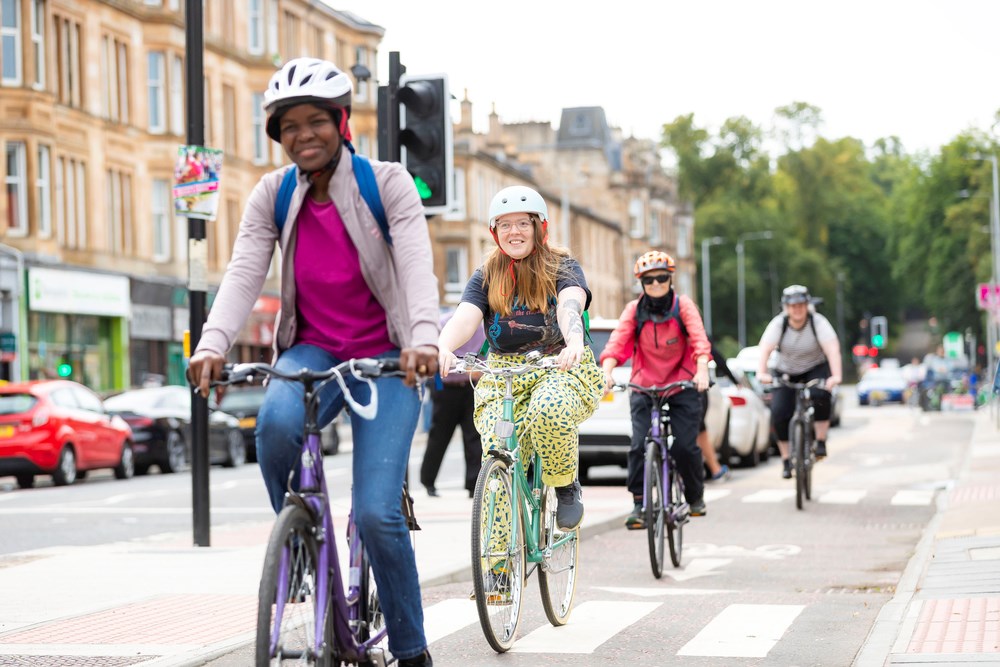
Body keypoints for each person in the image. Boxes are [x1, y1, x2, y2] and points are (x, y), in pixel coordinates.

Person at [187, 57, 438, 667]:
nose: (304, 135)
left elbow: (415, 265)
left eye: (316, 122)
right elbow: (244, 269)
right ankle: (301, 541)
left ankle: (411, 652)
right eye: (289, 126)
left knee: (378, 513)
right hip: (313, 349)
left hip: (388, 359)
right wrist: (214, 343)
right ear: (278, 135)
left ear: (341, 123)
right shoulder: (272, 193)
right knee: (272, 424)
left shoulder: (389, 183)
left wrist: (425, 338)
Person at [437, 185, 604, 531]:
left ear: (540, 227)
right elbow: (466, 318)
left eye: (523, 224)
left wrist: (574, 340)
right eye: (505, 225)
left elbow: (570, 305)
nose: (514, 232)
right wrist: (443, 346)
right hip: (503, 373)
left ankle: (564, 484)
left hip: (557, 365)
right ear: (494, 232)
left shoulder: (562, 265)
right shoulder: (486, 275)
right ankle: (497, 572)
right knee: (497, 457)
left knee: (549, 408)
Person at [599, 250, 712, 529]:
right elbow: (617, 343)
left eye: (662, 278)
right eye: (649, 280)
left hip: (682, 383)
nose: (656, 284)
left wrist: (701, 371)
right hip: (644, 384)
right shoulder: (634, 310)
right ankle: (639, 503)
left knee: (685, 446)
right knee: (639, 445)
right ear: (642, 284)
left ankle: (694, 496)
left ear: (670, 279)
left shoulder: (683, 306)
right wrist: (607, 371)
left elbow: (699, 340)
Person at [757, 284, 842, 479]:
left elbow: (832, 349)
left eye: (801, 305)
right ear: (786, 308)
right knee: (779, 412)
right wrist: (762, 373)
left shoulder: (818, 322)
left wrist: (835, 376)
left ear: (807, 305)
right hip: (785, 369)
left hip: (814, 367)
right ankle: (787, 459)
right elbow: (765, 349)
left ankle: (820, 441)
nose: (797, 310)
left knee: (821, 395)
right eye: (793, 306)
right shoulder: (779, 324)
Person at [420, 310, 486, 498]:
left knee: (474, 436)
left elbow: (486, 357)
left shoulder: (482, 328)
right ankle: (428, 482)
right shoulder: (442, 323)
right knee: (439, 436)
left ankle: (474, 485)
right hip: (445, 388)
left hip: (471, 387)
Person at [699, 338, 737, 482]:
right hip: (692, 387)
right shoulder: (699, 334)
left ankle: (713, 468)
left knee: (697, 428)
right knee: (699, 429)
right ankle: (714, 468)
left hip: (692, 385)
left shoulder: (697, 334)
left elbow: (716, 358)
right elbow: (719, 359)